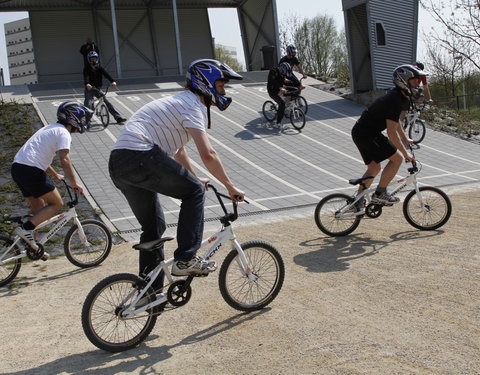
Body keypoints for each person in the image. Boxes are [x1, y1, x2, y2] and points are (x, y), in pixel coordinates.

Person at [108, 59, 245, 287]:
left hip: (119, 163)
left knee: (153, 229)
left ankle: (149, 293)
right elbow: (208, 154)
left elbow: (178, 151)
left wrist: (194, 176)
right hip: (140, 155)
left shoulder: (177, 102)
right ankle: (185, 259)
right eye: (221, 86)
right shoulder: (192, 105)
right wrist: (230, 186)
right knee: (193, 193)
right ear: (207, 84)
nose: (224, 91)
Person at [10, 101, 90, 256]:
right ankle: (25, 230)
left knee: (38, 208)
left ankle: (32, 246)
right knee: (57, 203)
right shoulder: (63, 133)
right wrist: (74, 183)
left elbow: (38, 156)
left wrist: (55, 175)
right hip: (31, 170)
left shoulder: (50, 128)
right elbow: (65, 159)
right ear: (73, 118)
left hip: (19, 168)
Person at [351, 64, 425, 207]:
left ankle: (357, 201)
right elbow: (391, 132)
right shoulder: (395, 99)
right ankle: (380, 194)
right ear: (404, 81)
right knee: (397, 158)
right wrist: (406, 155)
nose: (419, 83)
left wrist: (405, 138)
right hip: (368, 133)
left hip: (362, 131)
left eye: (419, 80)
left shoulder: (399, 96)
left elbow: (395, 120)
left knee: (374, 168)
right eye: (415, 80)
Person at [83, 51, 127, 125]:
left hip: (97, 89)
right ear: (89, 59)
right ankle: (87, 121)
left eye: (94, 58)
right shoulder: (86, 68)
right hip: (89, 89)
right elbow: (86, 77)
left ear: (97, 59)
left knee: (107, 102)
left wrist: (112, 81)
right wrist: (87, 84)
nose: (93, 60)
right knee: (88, 104)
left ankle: (118, 117)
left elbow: (106, 75)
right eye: (91, 59)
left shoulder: (99, 68)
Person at [267, 61, 295, 130]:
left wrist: (287, 81)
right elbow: (272, 81)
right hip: (272, 91)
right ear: (282, 69)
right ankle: (278, 123)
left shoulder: (283, 72)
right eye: (285, 72)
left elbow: (283, 78)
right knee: (282, 104)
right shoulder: (273, 71)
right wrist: (280, 88)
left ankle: (287, 109)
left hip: (280, 88)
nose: (285, 74)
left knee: (293, 92)